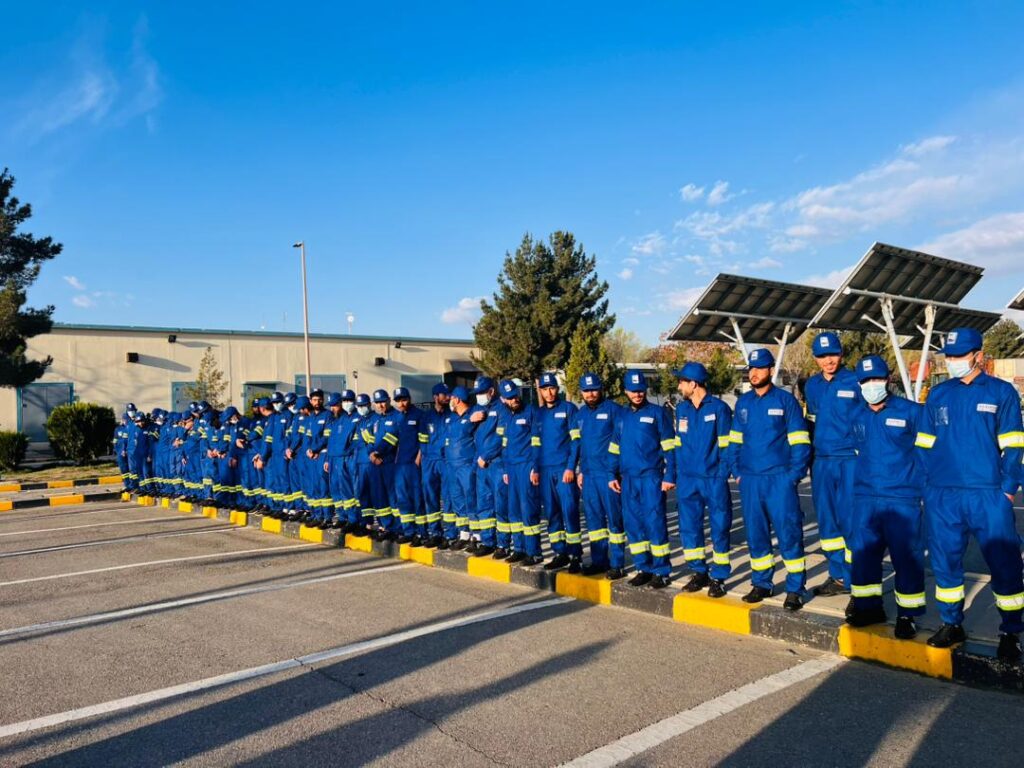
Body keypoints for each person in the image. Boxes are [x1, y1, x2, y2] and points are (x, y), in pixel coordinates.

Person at [917, 327, 1024, 660]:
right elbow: (924, 444)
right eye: (949, 356)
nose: (952, 361)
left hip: (988, 494)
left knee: (1005, 563)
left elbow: (1014, 445)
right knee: (945, 563)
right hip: (943, 495)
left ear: (978, 355)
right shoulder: (938, 394)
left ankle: (1011, 632)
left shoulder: (1001, 392)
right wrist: (928, 487)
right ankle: (951, 623)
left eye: (959, 355)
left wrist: (1008, 490)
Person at [846, 355, 926, 639]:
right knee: (864, 555)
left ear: (888, 379)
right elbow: (859, 452)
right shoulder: (857, 415)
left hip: (902, 498)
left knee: (906, 558)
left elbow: (927, 455)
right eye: (866, 380)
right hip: (866, 498)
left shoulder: (912, 412)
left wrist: (922, 490)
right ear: (859, 384)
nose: (872, 384)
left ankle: (907, 615)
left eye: (876, 378)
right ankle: (868, 608)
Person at [730, 348, 811, 611]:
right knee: (756, 535)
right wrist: (737, 471)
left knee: (789, 534)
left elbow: (800, 442)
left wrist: (793, 476)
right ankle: (761, 583)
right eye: (751, 369)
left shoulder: (786, 402)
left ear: (771, 370)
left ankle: (795, 589)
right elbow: (734, 441)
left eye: (759, 368)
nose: (754, 373)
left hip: (779, 481)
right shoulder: (743, 403)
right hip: (750, 480)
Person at [804, 331, 860, 599]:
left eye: (833, 354)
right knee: (827, 523)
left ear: (841, 354)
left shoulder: (856, 381)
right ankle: (838, 576)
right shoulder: (811, 386)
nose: (828, 360)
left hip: (850, 460)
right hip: (822, 462)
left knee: (851, 520)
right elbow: (811, 423)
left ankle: (856, 576)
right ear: (815, 358)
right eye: (822, 356)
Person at [608, 370, 676, 588]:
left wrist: (669, 475)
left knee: (655, 523)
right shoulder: (622, 416)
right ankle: (643, 568)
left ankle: (661, 571)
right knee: (634, 525)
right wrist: (611, 474)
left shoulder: (657, 413)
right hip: (628, 479)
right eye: (633, 391)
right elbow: (614, 447)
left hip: (651, 478)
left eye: (640, 390)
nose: (637, 395)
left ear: (645, 390)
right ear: (626, 391)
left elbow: (669, 446)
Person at [674, 362, 734, 597]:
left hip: (713, 479)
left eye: (681, 382)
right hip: (688, 480)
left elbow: (727, 446)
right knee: (689, 528)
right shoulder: (681, 409)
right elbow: (678, 444)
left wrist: (721, 474)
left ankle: (719, 576)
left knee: (719, 528)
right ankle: (699, 572)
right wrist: (679, 473)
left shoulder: (719, 409)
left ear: (693, 383)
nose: (679, 386)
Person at [572, 373, 626, 578]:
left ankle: (618, 563)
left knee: (614, 520)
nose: (590, 394)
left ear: (601, 389)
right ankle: (599, 561)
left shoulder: (615, 410)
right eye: (586, 391)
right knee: (594, 522)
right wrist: (580, 471)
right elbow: (580, 445)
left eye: (594, 390)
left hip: (608, 475)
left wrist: (617, 472)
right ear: (581, 393)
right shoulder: (580, 415)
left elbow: (622, 442)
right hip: (589, 476)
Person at [536, 372, 582, 572]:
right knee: (552, 514)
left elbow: (576, 441)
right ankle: (559, 553)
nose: (549, 392)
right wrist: (535, 469)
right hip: (545, 471)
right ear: (541, 391)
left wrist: (571, 467)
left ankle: (575, 555)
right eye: (545, 389)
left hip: (563, 470)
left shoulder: (568, 409)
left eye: (552, 388)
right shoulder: (538, 414)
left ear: (557, 389)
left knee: (569, 512)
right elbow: (535, 444)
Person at [498, 379, 543, 564]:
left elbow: (537, 442)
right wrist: (505, 469)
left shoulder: (531, 412)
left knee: (528, 509)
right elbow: (504, 444)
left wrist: (535, 467)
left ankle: (534, 552)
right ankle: (519, 549)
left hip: (526, 466)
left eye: (515, 395)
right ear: (503, 399)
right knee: (514, 510)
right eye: (510, 398)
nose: (514, 399)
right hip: (511, 468)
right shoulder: (506, 417)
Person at [470, 376, 505, 556]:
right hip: (480, 465)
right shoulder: (476, 409)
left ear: (491, 391)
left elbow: (501, 437)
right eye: (477, 393)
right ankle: (488, 541)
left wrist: (486, 455)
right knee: (484, 504)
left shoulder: (501, 409)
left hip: (496, 463)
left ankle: (503, 544)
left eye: (482, 392)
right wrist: (471, 421)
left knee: (500, 504)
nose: (479, 396)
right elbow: (465, 433)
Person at [445, 386, 480, 549]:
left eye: (451, 398)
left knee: (471, 500)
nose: (450, 401)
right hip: (452, 466)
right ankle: (464, 534)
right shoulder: (452, 418)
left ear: (457, 399)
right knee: (457, 501)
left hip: (466, 466)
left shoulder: (473, 414)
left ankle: (477, 536)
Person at [420, 383, 451, 547]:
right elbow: (422, 440)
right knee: (430, 498)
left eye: (448, 394)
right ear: (435, 397)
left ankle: (450, 534)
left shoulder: (452, 415)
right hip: (429, 462)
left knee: (448, 497)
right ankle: (435, 532)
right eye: (444, 395)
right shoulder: (426, 417)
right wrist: (425, 456)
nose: (447, 397)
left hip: (446, 462)